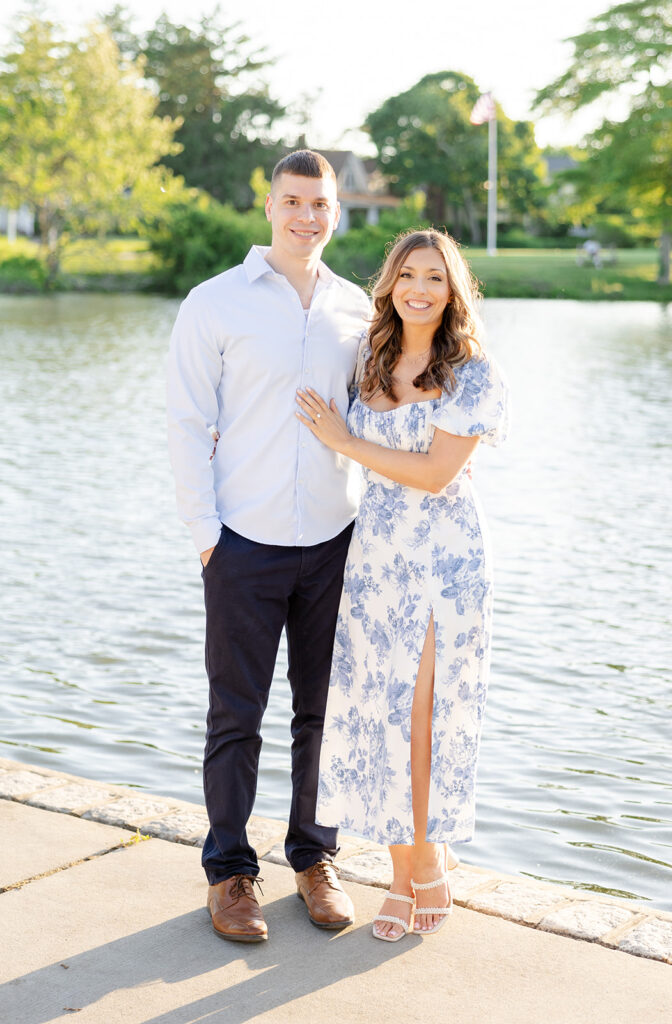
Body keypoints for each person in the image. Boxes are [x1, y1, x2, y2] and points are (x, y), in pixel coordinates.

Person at [167, 150, 371, 942]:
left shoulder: (357, 309)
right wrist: (206, 536)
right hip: (242, 543)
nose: (306, 217)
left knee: (321, 714)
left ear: (336, 211)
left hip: (333, 542)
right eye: (293, 201)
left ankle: (314, 858)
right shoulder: (213, 304)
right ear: (269, 206)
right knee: (235, 716)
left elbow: (380, 414)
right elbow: (185, 422)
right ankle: (230, 873)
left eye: (320, 204)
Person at [295, 228, 508, 941]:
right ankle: (415, 862)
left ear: (454, 292)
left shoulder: (471, 372)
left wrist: (346, 442)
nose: (420, 289)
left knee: (420, 719)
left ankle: (417, 871)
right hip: (377, 556)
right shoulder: (370, 355)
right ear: (389, 283)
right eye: (409, 275)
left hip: (444, 559)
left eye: (436, 278)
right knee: (379, 715)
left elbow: (437, 474)